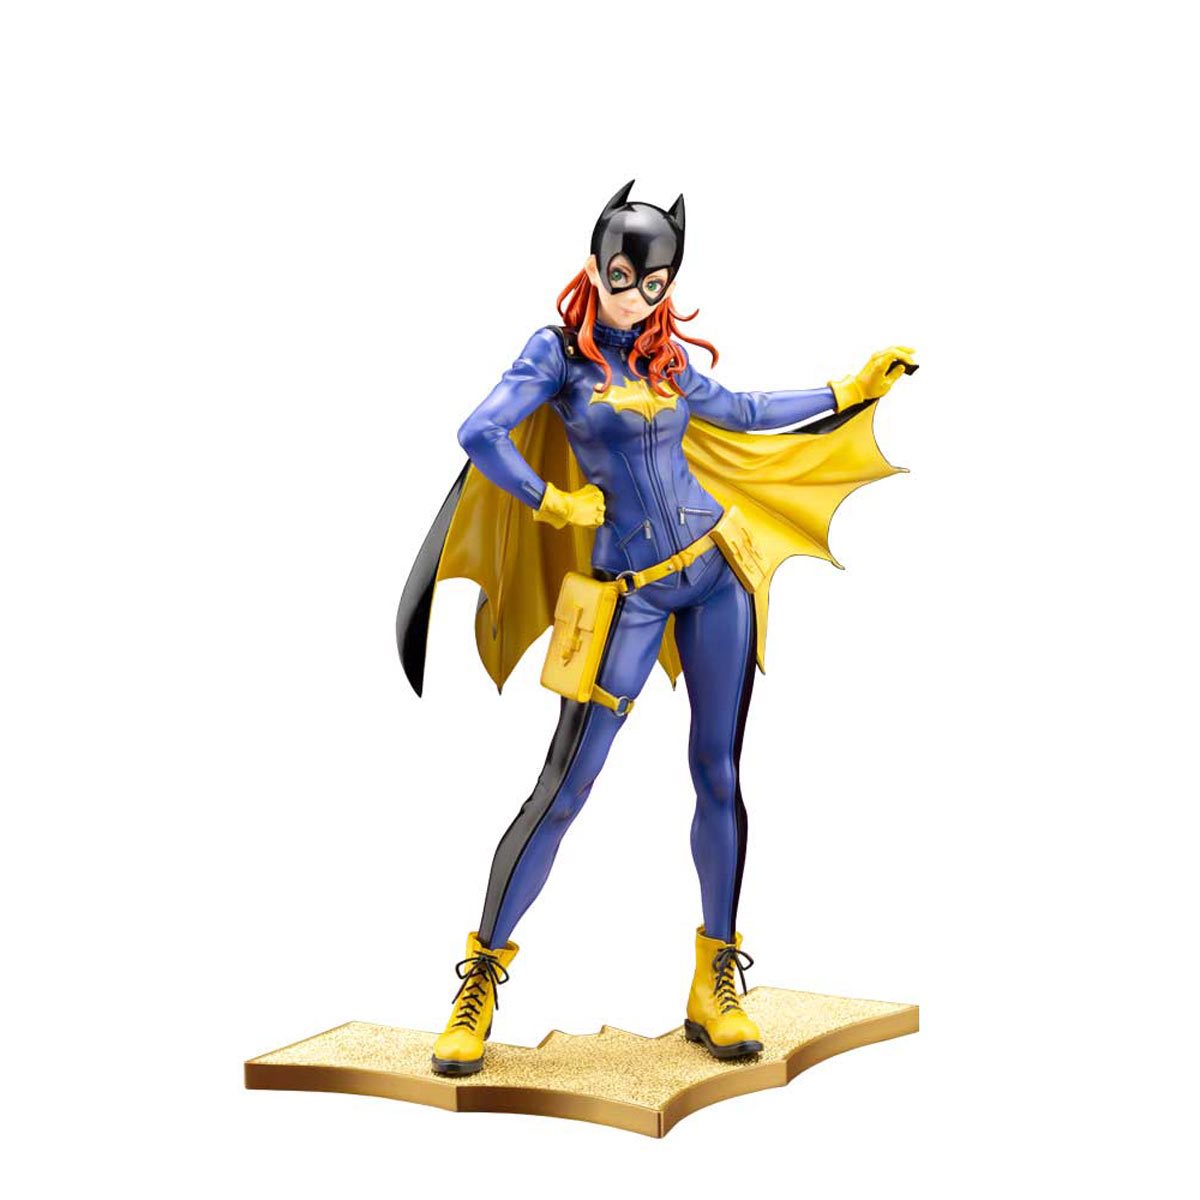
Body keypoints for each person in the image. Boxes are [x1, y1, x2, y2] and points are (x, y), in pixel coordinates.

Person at [395, 181, 917, 1076]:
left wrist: (848, 388)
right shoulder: (558, 355)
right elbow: (480, 431)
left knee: (718, 772)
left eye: (655, 282)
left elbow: (742, 412)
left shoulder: (665, 359)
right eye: (623, 276)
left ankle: (716, 980)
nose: (636, 297)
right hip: (622, 596)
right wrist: (552, 501)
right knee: (564, 787)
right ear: (595, 265)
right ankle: (478, 980)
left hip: (716, 574)